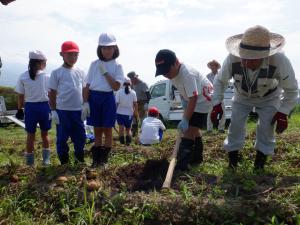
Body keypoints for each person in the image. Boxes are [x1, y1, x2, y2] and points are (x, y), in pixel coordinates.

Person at [211, 25, 298, 170]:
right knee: (236, 125)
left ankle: (259, 163)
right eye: (244, 56)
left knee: (266, 127)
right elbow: (220, 81)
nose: (246, 62)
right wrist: (216, 103)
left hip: (269, 97)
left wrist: (283, 112)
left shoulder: (280, 60)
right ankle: (232, 161)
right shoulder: (232, 59)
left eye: (252, 58)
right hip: (242, 96)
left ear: (266, 55)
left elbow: (292, 89)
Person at [155, 49, 213, 170]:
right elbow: (183, 91)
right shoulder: (172, 74)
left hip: (203, 100)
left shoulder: (187, 74)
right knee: (194, 130)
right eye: (163, 72)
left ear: (175, 63)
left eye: (167, 71)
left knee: (189, 130)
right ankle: (197, 158)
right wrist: (184, 103)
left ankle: (182, 164)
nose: (166, 75)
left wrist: (186, 118)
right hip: (192, 99)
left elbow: (194, 97)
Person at [82, 33, 124, 167]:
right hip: (94, 97)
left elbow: (116, 86)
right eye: (104, 48)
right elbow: (87, 84)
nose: (107, 51)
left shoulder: (118, 65)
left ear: (115, 48)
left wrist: (106, 73)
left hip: (108, 97)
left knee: (107, 129)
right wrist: (85, 102)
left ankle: (104, 159)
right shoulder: (94, 64)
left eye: (110, 48)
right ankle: (96, 159)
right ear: (100, 49)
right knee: (97, 129)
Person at [49, 41, 86, 165]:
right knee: (62, 137)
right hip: (63, 111)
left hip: (78, 110)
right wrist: (53, 110)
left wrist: (86, 104)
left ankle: (79, 158)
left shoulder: (80, 71)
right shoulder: (56, 72)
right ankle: (64, 162)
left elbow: (85, 89)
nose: (73, 58)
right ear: (62, 54)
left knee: (80, 136)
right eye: (69, 55)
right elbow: (52, 92)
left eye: (76, 55)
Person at [15, 50, 51, 166]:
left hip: (30, 108)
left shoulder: (23, 76)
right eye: (45, 62)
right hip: (45, 107)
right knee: (44, 134)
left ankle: (29, 163)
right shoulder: (47, 76)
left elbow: (21, 96)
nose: (46, 64)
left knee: (30, 135)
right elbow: (52, 94)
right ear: (40, 63)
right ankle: (46, 161)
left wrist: (19, 109)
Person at [127, 71, 151, 136]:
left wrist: (147, 104)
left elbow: (149, 95)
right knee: (134, 119)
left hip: (143, 103)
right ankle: (134, 134)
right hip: (135, 104)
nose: (132, 80)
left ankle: (145, 133)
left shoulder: (143, 84)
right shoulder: (132, 85)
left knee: (143, 119)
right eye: (131, 79)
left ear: (136, 77)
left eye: (133, 79)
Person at [115, 78, 138, 146]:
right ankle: (128, 143)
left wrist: (114, 113)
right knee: (128, 129)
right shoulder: (133, 92)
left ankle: (122, 144)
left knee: (121, 129)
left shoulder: (119, 92)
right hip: (129, 113)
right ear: (130, 84)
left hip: (119, 113)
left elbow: (116, 104)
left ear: (123, 84)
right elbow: (135, 104)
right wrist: (135, 112)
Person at [206, 60, 226, 133]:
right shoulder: (207, 76)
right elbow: (206, 86)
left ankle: (221, 128)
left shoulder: (221, 75)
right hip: (212, 97)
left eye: (214, 65)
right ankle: (209, 129)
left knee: (223, 112)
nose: (212, 66)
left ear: (217, 66)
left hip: (220, 96)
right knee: (210, 113)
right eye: (211, 65)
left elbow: (224, 85)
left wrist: (221, 94)